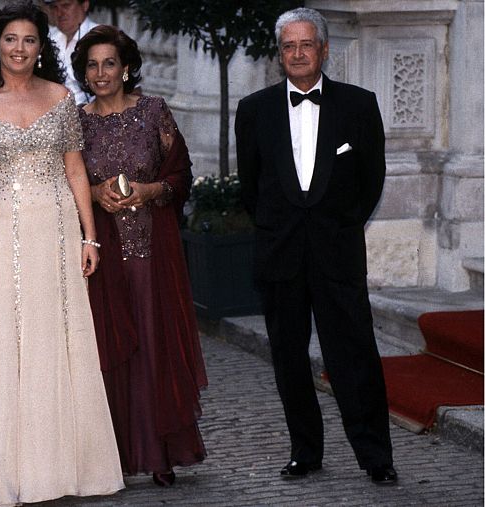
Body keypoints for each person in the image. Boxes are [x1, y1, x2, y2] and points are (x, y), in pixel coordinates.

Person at [0, 3, 124, 505]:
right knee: (11, 346)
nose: (20, 49)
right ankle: (15, 474)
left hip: (57, 234)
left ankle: (72, 469)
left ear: (41, 47)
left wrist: (89, 237)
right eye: (11, 39)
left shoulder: (61, 100)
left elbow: (77, 172)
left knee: (65, 343)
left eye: (30, 40)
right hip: (4, 233)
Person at [234, 7, 396, 484]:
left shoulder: (359, 105)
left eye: (306, 45)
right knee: (288, 360)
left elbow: (372, 180)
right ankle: (305, 452)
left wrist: (341, 227)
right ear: (279, 54)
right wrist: (276, 228)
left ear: (324, 50)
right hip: (279, 256)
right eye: (289, 46)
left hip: (338, 254)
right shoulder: (254, 109)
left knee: (355, 357)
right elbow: (251, 186)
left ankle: (376, 458)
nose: (298, 53)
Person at [71, 24, 208, 486]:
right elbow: (64, 184)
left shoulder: (154, 113)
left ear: (127, 67)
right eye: (92, 64)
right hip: (101, 255)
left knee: (153, 345)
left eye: (110, 62)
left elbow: (182, 174)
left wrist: (149, 190)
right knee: (109, 350)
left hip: (153, 252)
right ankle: (112, 457)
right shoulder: (76, 122)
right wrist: (94, 193)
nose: (101, 72)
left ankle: (159, 454)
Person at [44, 0, 96, 104]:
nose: (59, 13)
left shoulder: (104, 36)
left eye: (66, 5)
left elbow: (131, 88)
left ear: (85, 5)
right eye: (55, 7)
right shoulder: (48, 38)